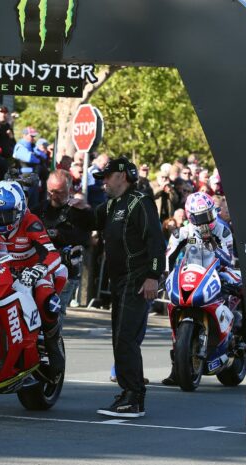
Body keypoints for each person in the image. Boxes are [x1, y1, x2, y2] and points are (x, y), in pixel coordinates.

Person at [0, 181, 67, 377]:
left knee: (46, 300)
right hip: (1, 272)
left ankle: (52, 345)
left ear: (18, 211)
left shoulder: (31, 222)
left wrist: (37, 271)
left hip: (31, 273)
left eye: (6, 214)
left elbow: (53, 254)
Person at [91, 157, 165, 418]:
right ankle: (128, 392)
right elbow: (89, 220)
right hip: (119, 281)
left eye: (107, 177)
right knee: (119, 337)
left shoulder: (140, 202)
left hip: (137, 280)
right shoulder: (111, 205)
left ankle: (133, 398)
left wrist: (153, 276)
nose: (103, 183)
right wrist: (67, 207)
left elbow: (156, 241)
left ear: (122, 177)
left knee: (126, 338)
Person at [161, 192, 241, 386]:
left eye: (209, 214)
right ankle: (177, 368)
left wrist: (210, 242)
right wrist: (165, 274)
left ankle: (238, 331)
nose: (207, 220)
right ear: (190, 217)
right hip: (193, 273)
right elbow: (169, 257)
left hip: (218, 271)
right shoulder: (183, 232)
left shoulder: (223, 231)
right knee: (174, 300)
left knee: (239, 283)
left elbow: (228, 259)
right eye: (201, 216)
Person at [31, 169, 95, 310]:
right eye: (51, 191)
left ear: (69, 189)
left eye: (59, 192)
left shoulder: (78, 210)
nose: (54, 196)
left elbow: (86, 237)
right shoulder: (39, 210)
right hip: (40, 269)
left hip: (65, 271)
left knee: (54, 312)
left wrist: (59, 234)